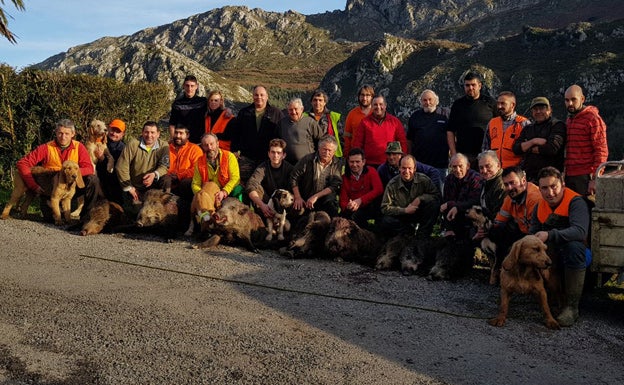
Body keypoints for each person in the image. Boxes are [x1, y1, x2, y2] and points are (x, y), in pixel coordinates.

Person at [530, 166, 590, 327]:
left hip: (582, 254)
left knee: (573, 247)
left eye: (553, 186)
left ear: (562, 184)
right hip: (553, 252)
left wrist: (549, 234)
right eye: (544, 188)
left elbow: (580, 231)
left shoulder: (576, 202)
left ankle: (572, 307)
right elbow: (532, 233)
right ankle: (548, 297)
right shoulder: (539, 206)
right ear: (539, 189)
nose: (550, 193)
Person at [16, 118, 100, 221]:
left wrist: (72, 173)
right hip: (50, 190)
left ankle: (87, 216)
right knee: (51, 219)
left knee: (93, 180)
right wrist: (33, 185)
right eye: (60, 133)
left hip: (72, 188)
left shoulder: (79, 147)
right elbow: (22, 163)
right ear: (56, 132)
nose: (63, 137)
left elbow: (89, 168)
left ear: (73, 134)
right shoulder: (46, 147)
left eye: (66, 134)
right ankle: (56, 211)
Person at [481, 166, 541, 281]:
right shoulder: (509, 198)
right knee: (495, 233)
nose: (509, 188)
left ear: (523, 181)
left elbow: (536, 230)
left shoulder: (534, 198)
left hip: (537, 235)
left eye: (512, 183)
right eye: (506, 184)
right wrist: (484, 231)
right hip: (523, 232)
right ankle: (500, 272)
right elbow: (498, 223)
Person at [227, 85, 284, 184]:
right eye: (256, 95)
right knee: (243, 183)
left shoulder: (276, 113)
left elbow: (283, 134)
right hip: (247, 157)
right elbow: (236, 133)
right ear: (253, 96)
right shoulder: (244, 113)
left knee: (264, 183)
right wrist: (234, 150)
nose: (259, 97)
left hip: (266, 158)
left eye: (262, 95)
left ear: (267, 96)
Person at [379, 154, 441, 239]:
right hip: (402, 216)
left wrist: (420, 198)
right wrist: (404, 210)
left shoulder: (424, 180)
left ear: (415, 169)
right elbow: (385, 207)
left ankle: (422, 235)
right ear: (399, 168)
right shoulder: (392, 185)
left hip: (419, 212)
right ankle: (406, 234)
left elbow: (436, 195)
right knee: (386, 221)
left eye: (410, 168)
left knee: (434, 205)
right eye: (404, 168)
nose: (407, 171)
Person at [563, 84, 608, 195]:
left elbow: (601, 150)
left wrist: (595, 178)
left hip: (585, 177)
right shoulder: (570, 118)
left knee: (584, 209)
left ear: (582, 99)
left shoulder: (593, 119)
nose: (570, 103)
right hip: (569, 175)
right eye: (567, 100)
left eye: (573, 99)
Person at [116, 121, 169, 214]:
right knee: (135, 212)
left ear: (158, 134)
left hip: (152, 185)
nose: (149, 135)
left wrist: (154, 174)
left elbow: (164, 166)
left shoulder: (164, 146)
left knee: (166, 179)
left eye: (152, 132)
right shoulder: (133, 144)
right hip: (134, 186)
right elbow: (121, 167)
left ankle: (163, 203)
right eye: (146, 132)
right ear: (142, 132)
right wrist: (129, 187)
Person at [447, 72, 497, 169]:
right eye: (467, 85)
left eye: (473, 85)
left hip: (486, 154)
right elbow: (450, 131)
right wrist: (453, 154)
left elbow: (499, 125)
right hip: (464, 155)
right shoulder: (457, 105)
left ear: (479, 85)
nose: (470, 88)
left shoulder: (490, 103)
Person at [512, 96, 566, 183]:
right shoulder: (528, 128)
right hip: (530, 177)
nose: (538, 112)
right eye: (535, 109)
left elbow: (552, 148)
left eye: (542, 108)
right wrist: (534, 141)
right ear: (532, 112)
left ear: (549, 110)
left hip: (551, 177)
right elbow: (516, 148)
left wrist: (527, 147)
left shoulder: (557, 125)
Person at [290, 136, 343, 217]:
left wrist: (316, 196)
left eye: (330, 150)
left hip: (324, 199)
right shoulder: (307, 160)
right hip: (306, 198)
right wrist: (298, 197)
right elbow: (294, 177)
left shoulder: (337, 163)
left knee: (331, 206)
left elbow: (335, 185)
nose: (326, 152)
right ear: (319, 148)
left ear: (334, 152)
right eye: (324, 149)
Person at [352, 95, 408, 169]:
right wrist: (357, 161)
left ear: (385, 106)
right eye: (375, 105)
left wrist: (403, 160)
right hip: (369, 165)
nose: (378, 107)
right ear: (371, 106)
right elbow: (357, 143)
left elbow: (402, 142)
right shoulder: (364, 122)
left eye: (381, 104)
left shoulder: (395, 122)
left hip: (390, 164)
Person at [407, 89, 449, 182]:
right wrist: (409, 157)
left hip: (440, 165)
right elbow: (409, 139)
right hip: (420, 165)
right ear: (421, 102)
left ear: (436, 101)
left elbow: (453, 135)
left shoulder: (445, 114)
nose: (428, 102)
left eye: (430, 99)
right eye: (424, 100)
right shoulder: (415, 116)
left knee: (439, 193)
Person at [246, 138, 295, 219]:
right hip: (268, 201)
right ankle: (264, 220)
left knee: (299, 207)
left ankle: (290, 224)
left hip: (285, 201)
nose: (275, 156)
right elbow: (250, 185)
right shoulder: (263, 168)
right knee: (255, 189)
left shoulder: (290, 168)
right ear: (268, 154)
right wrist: (262, 205)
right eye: (273, 152)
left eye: (279, 153)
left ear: (284, 155)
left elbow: (296, 185)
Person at [191, 133, 242, 208]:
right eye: (206, 145)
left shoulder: (229, 156)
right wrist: (202, 194)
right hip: (209, 193)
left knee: (238, 190)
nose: (209, 148)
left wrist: (224, 192)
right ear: (202, 147)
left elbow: (235, 178)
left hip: (228, 190)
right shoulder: (199, 162)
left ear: (217, 144)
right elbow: (195, 183)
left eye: (212, 144)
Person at [440, 153, 484, 239]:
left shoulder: (476, 178)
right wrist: (448, 228)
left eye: (460, 166)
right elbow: (445, 203)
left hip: (471, 217)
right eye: (454, 167)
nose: (457, 169)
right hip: (454, 217)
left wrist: (455, 205)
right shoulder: (449, 179)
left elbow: (475, 201)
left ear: (468, 166)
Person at [481, 91, 529, 168]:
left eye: (503, 103)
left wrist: (519, 169)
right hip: (495, 171)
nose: (499, 106)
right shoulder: (492, 123)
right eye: (498, 103)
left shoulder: (523, 123)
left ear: (512, 105)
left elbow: (528, 151)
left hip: (515, 171)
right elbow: (485, 148)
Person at [340, 148, 384, 230]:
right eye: (352, 162)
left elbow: (379, 189)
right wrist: (348, 206)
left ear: (363, 162)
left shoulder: (371, 171)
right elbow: (343, 200)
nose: (354, 165)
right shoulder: (345, 177)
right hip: (354, 208)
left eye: (357, 162)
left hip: (370, 205)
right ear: (348, 162)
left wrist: (360, 200)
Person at [377, 141, 442, 191]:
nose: (391, 157)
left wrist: (430, 190)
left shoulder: (410, 163)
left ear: (400, 155)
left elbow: (434, 172)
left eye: (394, 154)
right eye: (389, 154)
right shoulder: (382, 170)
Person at [162, 124, 203, 202]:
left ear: (187, 135)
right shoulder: (166, 147)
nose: (178, 136)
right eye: (176, 133)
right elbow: (161, 164)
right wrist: (168, 175)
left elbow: (197, 169)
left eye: (181, 133)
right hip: (168, 179)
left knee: (187, 183)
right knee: (164, 180)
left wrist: (179, 175)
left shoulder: (195, 149)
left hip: (184, 181)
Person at [278, 97, 324, 164]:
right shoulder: (282, 123)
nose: (293, 112)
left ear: (302, 109)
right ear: (287, 110)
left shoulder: (310, 122)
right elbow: (277, 141)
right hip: (287, 165)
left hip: (307, 164)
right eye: (290, 110)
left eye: (296, 109)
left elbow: (321, 141)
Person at [168, 75, 207, 144]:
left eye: (192, 86)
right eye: (187, 85)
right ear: (183, 86)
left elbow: (215, 110)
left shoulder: (203, 102)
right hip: (183, 141)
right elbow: (172, 124)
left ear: (196, 86)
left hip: (200, 142)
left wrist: (227, 110)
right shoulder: (177, 104)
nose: (189, 88)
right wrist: (173, 138)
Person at [304, 89, 344, 157]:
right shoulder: (304, 116)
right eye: (315, 100)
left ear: (325, 102)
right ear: (311, 102)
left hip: (330, 154)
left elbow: (341, 137)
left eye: (320, 100)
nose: (317, 103)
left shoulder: (334, 116)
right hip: (309, 154)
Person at [95, 118, 126, 205]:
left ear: (122, 134)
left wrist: (102, 158)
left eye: (118, 132)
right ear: (108, 129)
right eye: (112, 130)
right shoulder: (98, 141)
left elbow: (117, 169)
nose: (114, 133)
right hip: (97, 175)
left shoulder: (123, 149)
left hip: (112, 180)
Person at [343, 85, 374, 155]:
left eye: (367, 95)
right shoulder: (352, 114)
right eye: (362, 95)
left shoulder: (377, 113)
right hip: (356, 154)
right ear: (359, 96)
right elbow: (347, 137)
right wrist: (347, 154)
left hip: (374, 154)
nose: (364, 98)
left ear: (372, 97)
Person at [477, 150, 506, 221]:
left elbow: (496, 215)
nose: (484, 171)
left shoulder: (502, 184)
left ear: (498, 165)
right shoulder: (486, 181)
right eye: (481, 168)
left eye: (488, 166)